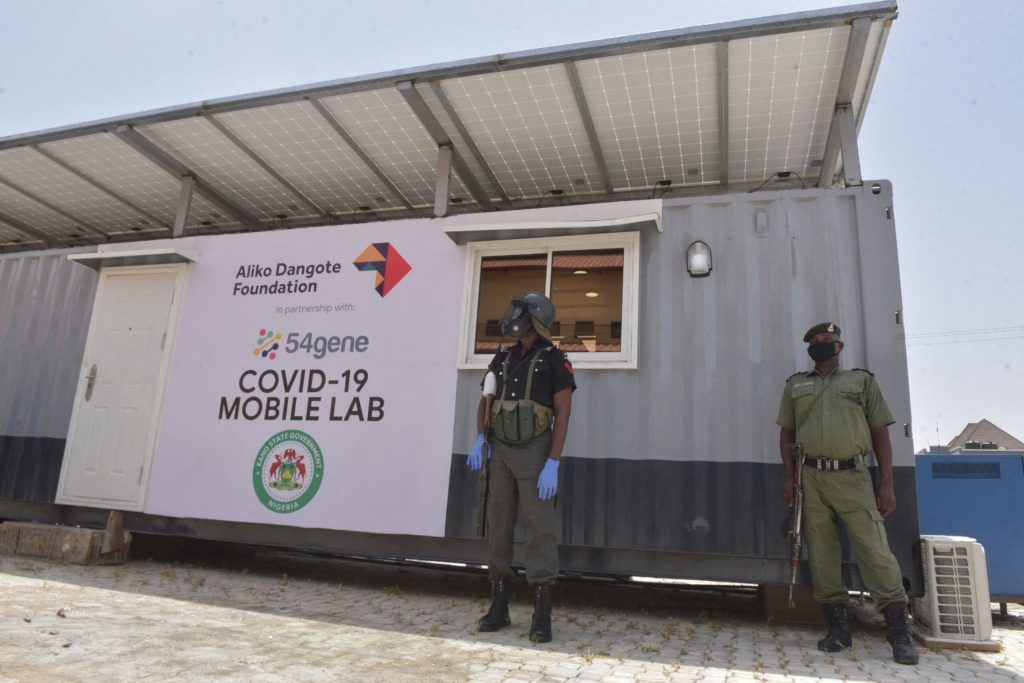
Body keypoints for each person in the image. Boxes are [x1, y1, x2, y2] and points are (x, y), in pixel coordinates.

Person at [776, 322, 918, 665]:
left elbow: (880, 434)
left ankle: (900, 632)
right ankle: (838, 630)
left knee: (874, 549)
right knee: (822, 553)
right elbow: (786, 434)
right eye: (816, 341)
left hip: (853, 477)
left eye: (828, 341)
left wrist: (886, 483)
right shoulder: (796, 385)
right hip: (810, 479)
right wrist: (790, 476)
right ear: (809, 348)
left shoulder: (862, 382)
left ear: (840, 347)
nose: (821, 345)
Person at [466, 292, 576, 643]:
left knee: (539, 529)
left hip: (535, 452)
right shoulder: (503, 357)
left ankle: (542, 615)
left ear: (538, 319)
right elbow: (486, 400)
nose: (514, 317)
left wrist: (553, 462)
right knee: (498, 524)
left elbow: (563, 413)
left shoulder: (555, 360)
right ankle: (499, 607)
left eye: (522, 312)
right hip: (500, 452)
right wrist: (481, 438)